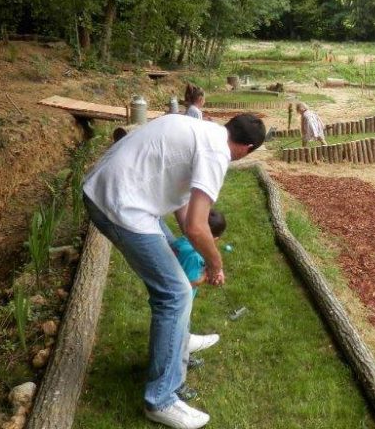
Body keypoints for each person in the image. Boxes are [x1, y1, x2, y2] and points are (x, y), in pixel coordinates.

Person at [83, 113, 265, 429]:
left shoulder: (203, 129)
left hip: (113, 190)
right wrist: (214, 263)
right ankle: (161, 400)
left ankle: (178, 338)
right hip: (118, 203)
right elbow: (197, 226)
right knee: (176, 293)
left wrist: (197, 248)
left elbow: (184, 207)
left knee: (175, 271)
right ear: (247, 148)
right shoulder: (218, 153)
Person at [169, 209, 227, 402]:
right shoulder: (195, 257)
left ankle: (185, 355)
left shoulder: (182, 243)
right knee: (178, 333)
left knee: (181, 331)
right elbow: (189, 282)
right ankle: (178, 370)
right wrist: (205, 277)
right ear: (214, 239)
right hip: (181, 300)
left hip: (170, 296)